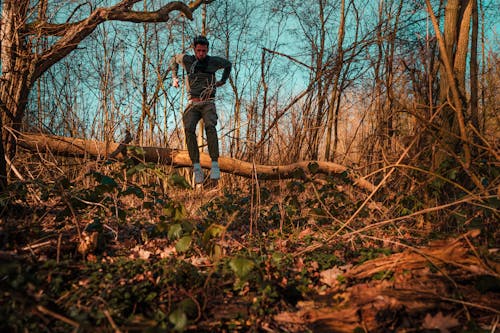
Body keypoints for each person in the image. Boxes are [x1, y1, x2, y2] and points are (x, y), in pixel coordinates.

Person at [170, 35, 232, 184]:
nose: (201, 54)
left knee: (210, 126)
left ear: (207, 50)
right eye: (199, 51)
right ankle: (196, 167)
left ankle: (214, 164)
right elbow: (173, 60)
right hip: (192, 103)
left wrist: (222, 80)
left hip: (208, 102)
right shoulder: (187, 60)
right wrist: (175, 77)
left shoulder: (213, 61)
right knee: (188, 129)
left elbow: (228, 64)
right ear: (194, 50)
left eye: (204, 51)